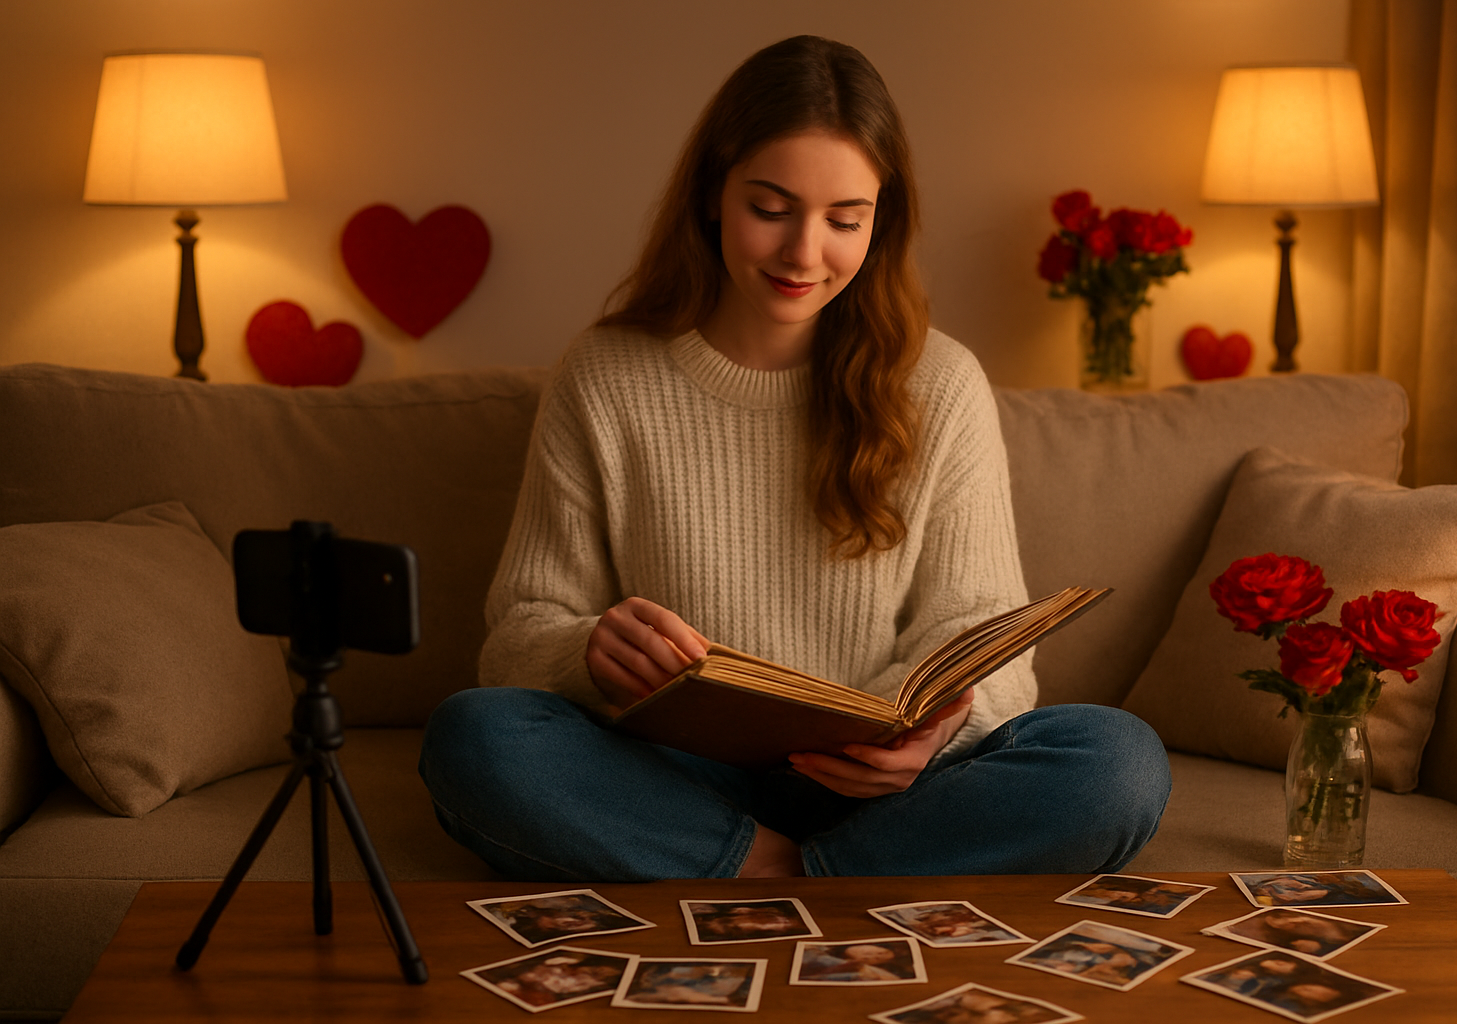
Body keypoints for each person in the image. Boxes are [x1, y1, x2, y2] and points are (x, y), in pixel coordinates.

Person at [418, 33, 1170, 881]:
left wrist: (928, 738)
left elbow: (978, 632)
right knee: (475, 737)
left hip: (878, 787)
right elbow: (517, 637)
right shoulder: (605, 373)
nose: (804, 254)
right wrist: (586, 649)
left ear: (879, 220)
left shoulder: (942, 382)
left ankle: (757, 876)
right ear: (712, 193)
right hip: (669, 778)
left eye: (844, 220)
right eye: (770, 209)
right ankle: (805, 878)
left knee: (1119, 761)